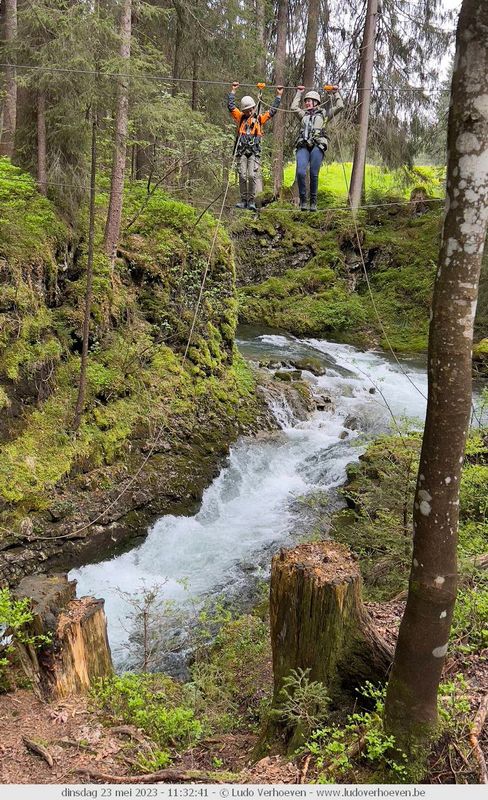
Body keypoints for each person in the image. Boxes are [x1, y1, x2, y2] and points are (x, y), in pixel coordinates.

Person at [228, 81, 283, 211]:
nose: (250, 111)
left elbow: (272, 111)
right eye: (247, 110)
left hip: (253, 152)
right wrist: (233, 91)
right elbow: (230, 106)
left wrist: (278, 96)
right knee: (242, 175)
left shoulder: (259, 119)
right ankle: (243, 200)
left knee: (252, 175)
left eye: (251, 109)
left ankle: (251, 200)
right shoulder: (240, 117)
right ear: (244, 110)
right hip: (241, 151)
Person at [291, 85, 344, 211]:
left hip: (318, 144)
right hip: (303, 145)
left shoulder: (324, 114)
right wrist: (299, 92)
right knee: (300, 172)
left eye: (310, 101)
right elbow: (293, 107)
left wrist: (336, 93)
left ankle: (313, 202)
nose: (308, 103)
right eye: (306, 101)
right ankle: (303, 200)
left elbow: (340, 106)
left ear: (316, 102)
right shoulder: (302, 115)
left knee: (314, 173)